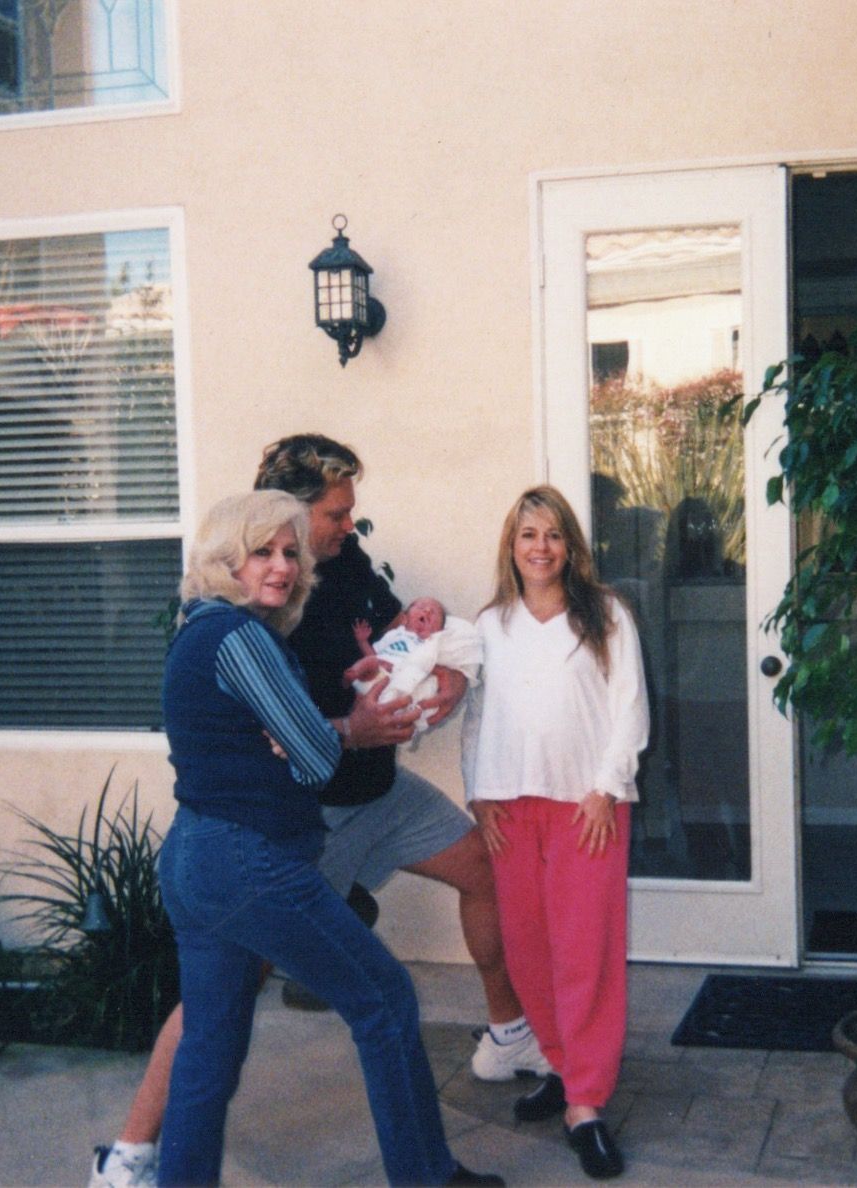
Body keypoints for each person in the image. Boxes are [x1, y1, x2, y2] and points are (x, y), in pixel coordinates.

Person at [91, 436, 545, 1188]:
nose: (282, 565)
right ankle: (426, 1179)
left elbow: (287, 734)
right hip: (252, 858)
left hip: (198, 856)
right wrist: (342, 726)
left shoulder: (202, 626)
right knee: (384, 999)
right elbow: (312, 757)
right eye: (263, 552)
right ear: (226, 559)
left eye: (287, 554)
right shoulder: (244, 636)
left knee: (212, 1046)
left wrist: (316, 719)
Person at [460, 486, 649, 1182]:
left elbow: (630, 704)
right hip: (509, 807)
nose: (540, 548)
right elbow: (476, 716)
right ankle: (563, 1067)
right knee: (529, 948)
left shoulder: (606, 615)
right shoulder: (491, 624)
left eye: (553, 535)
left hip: (586, 806)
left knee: (585, 950)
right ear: (511, 547)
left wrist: (606, 786)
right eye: (527, 535)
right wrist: (478, 793)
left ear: (570, 545)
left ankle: (586, 1103)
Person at [348, 597, 484, 745]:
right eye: (420, 606)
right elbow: (375, 654)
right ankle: (352, 676)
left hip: (398, 679)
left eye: (435, 613)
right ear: (404, 618)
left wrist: (454, 676)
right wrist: (363, 641)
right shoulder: (394, 635)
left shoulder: (430, 644)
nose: (427, 610)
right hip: (378, 674)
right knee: (370, 663)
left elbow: (430, 664)